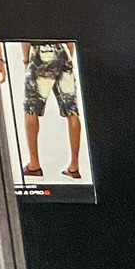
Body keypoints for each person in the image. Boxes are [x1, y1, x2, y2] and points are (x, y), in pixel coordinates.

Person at [21, 42, 82, 180]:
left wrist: (26, 61)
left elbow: (25, 38)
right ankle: (74, 167)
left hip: (40, 53)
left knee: (31, 109)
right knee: (72, 110)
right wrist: (66, 58)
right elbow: (70, 40)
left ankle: (34, 165)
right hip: (63, 52)